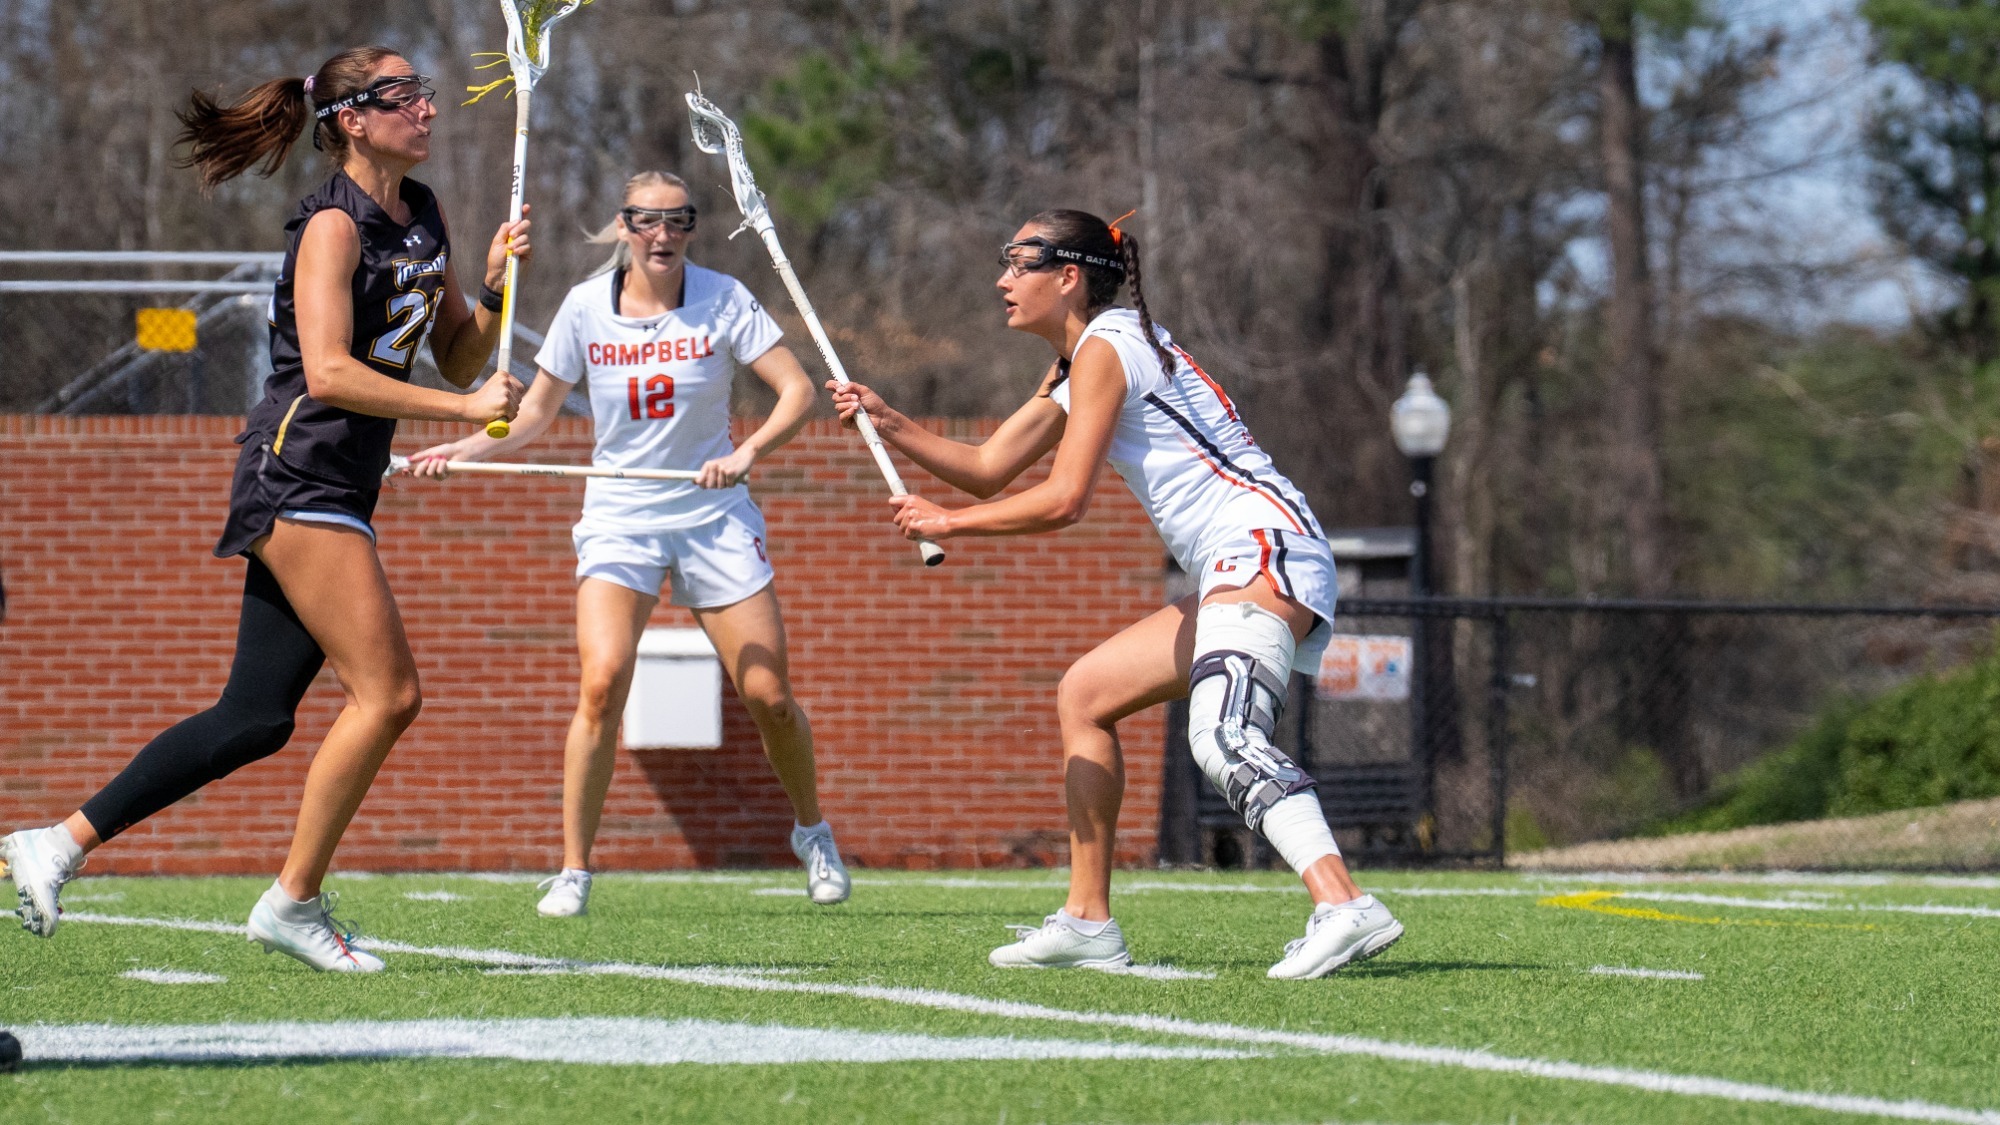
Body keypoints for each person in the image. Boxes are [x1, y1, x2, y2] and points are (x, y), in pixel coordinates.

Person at [0, 46, 529, 972]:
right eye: (407, 96)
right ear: (354, 119)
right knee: (390, 693)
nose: (430, 110)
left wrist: (487, 287)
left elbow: (453, 354)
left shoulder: (427, 214)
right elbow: (328, 371)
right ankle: (294, 899)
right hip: (298, 473)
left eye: (427, 93)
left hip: (342, 483)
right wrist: (463, 413)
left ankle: (57, 842)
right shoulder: (333, 225)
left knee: (256, 716)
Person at [828, 209, 1401, 979]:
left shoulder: (1106, 347)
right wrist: (889, 420)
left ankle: (1343, 902)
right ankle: (1088, 921)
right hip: (1237, 557)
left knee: (1222, 737)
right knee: (1086, 694)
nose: (1001, 279)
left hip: (1263, 543)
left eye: (1017, 262)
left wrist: (952, 524)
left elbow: (1066, 499)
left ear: (1067, 276)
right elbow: (993, 462)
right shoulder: (1080, 357)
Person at [408, 171, 849, 916]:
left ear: (691, 229)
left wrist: (749, 455)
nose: (663, 234)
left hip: (713, 513)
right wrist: (464, 450)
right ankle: (575, 867)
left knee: (769, 693)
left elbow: (798, 393)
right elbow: (535, 416)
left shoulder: (723, 299)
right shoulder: (584, 307)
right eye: (648, 220)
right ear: (623, 227)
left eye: (679, 220)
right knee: (603, 679)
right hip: (620, 516)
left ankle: (813, 831)